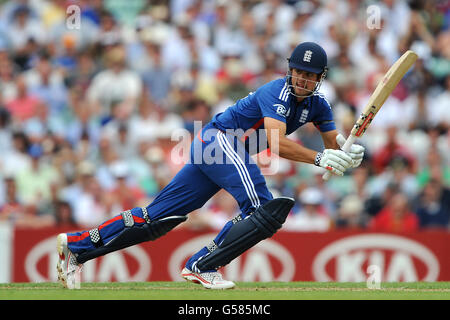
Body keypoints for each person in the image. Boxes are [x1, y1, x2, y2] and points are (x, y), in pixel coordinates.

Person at [56, 42, 365, 289]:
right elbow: (277, 141)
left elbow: (331, 144)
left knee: (156, 221)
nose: (304, 80)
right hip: (219, 141)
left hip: (219, 152)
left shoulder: (319, 104)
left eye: (311, 75)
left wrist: (345, 154)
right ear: (290, 70)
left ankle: (76, 247)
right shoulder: (277, 92)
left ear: (320, 77)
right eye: (299, 72)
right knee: (262, 209)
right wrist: (320, 158)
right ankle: (203, 265)